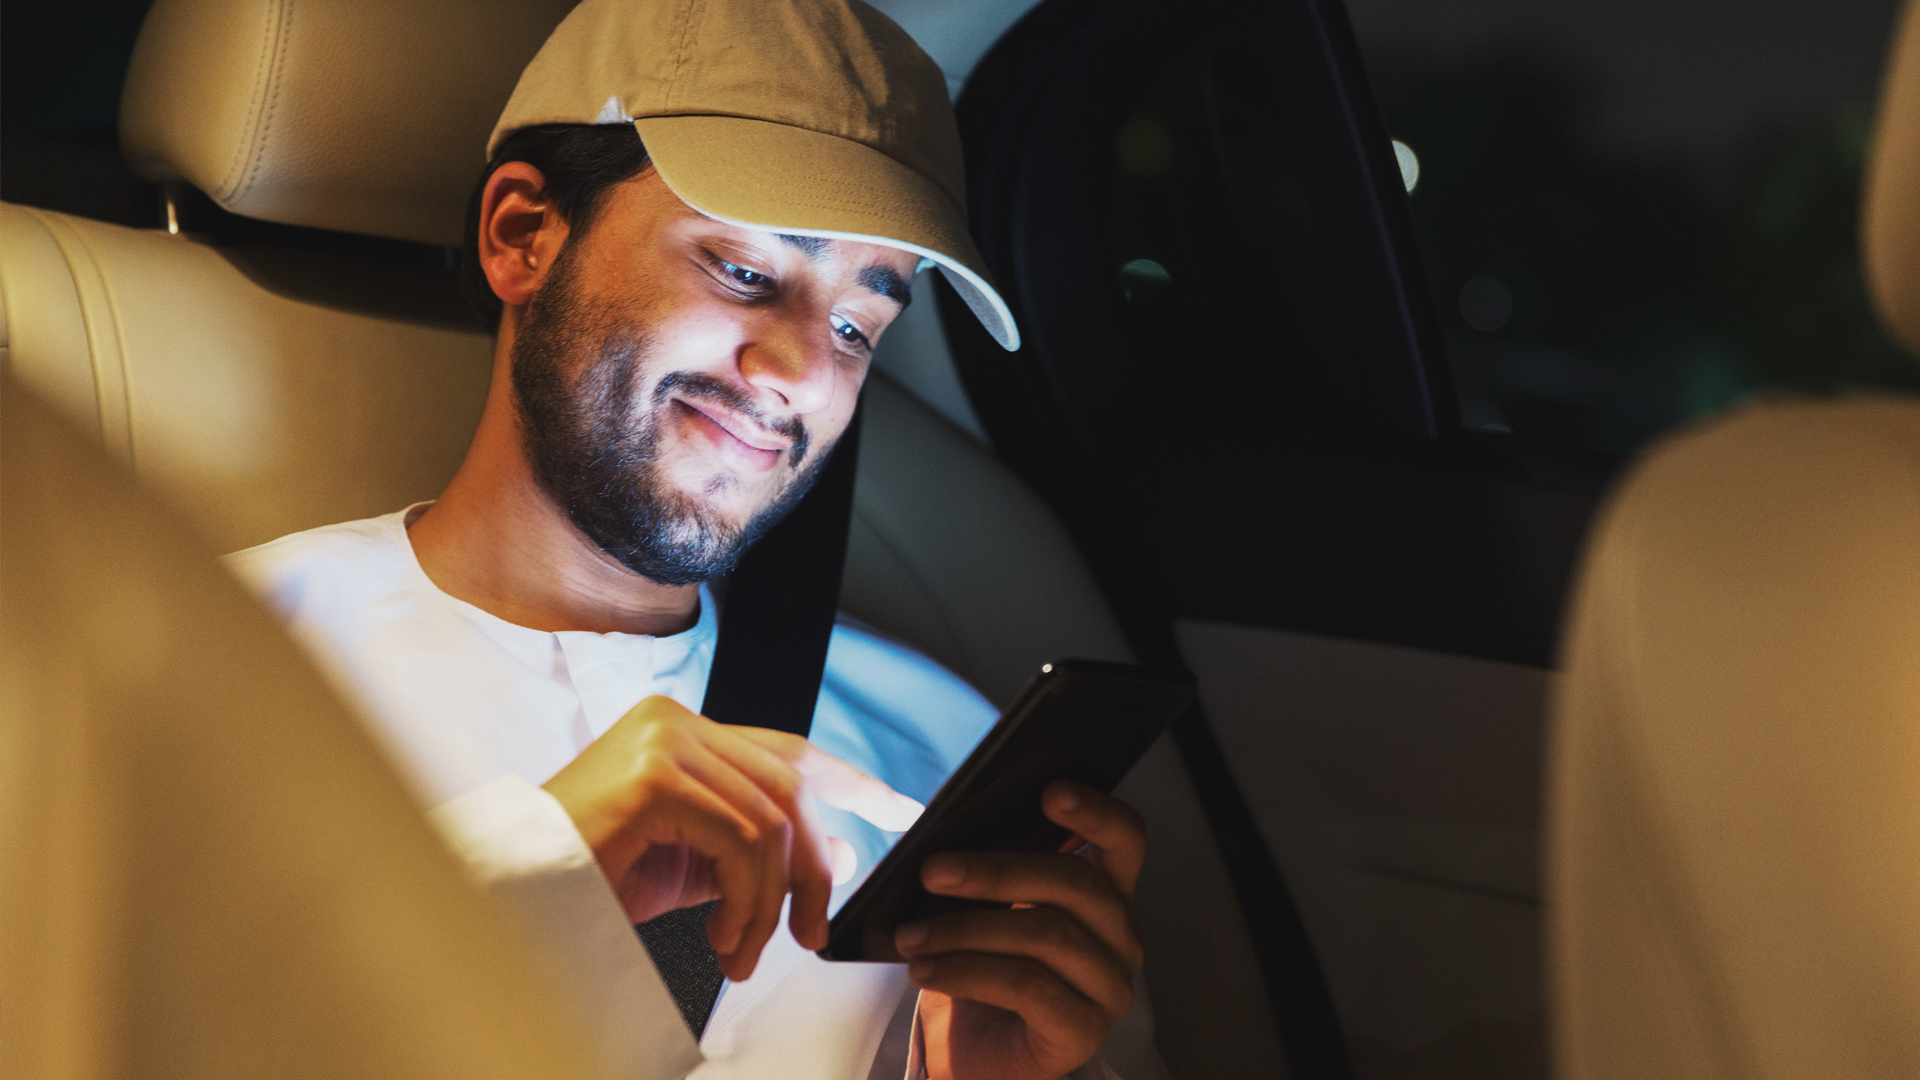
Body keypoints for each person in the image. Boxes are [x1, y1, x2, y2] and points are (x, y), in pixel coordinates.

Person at [225, 1, 1160, 1079]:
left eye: (859, 326)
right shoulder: (192, 673)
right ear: (522, 236)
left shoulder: (947, 768)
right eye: (745, 270)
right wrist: (525, 874)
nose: (803, 373)